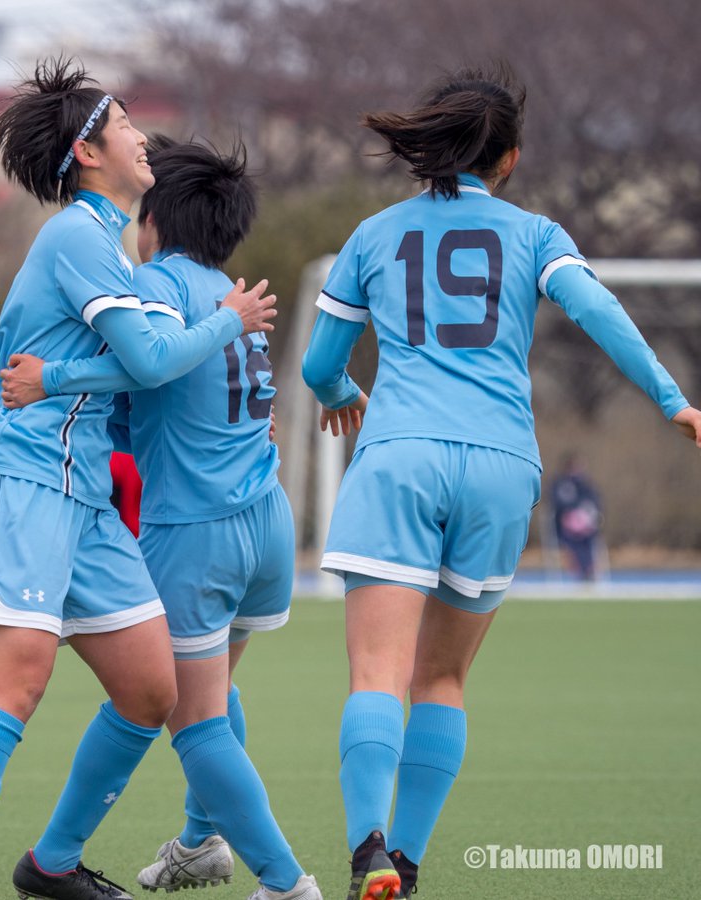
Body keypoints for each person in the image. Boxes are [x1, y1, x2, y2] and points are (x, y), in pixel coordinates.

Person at [299, 65, 701, 900]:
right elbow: (598, 313)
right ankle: (405, 865)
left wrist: (342, 393)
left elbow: (319, 366)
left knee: (377, 675)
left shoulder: (373, 235)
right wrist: (673, 400)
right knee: (440, 680)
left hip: (400, 459)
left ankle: (367, 849)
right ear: (507, 159)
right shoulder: (536, 235)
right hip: (501, 468)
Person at [0, 58, 278, 900]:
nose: (140, 135)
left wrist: (54, 379)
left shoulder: (110, 248)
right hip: (28, 481)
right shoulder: (77, 235)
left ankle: (50, 865)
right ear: (87, 152)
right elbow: (154, 362)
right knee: (17, 682)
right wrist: (226, 320)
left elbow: (146, 369)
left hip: (85, 495)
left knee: (152, 690)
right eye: (122, 123)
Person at [1, 136, 321, 900]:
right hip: (264, 522)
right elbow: (162, 405)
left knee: (195, 721)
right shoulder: (232, 296)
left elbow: (147, 363)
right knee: (217, 696)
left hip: (196, 529)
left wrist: (52, 379)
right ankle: (201, 841)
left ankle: (285, 883)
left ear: (153, 220)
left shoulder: (155, 284)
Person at [549, 453, 603, 580]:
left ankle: (588, 569)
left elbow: (594, 500)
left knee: (588, 541)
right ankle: (582, 569)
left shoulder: (585, 483)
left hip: (585, 526)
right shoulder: (560, 484)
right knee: (573, 543)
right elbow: (558, 502)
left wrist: (586, 514)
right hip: (564, 526)